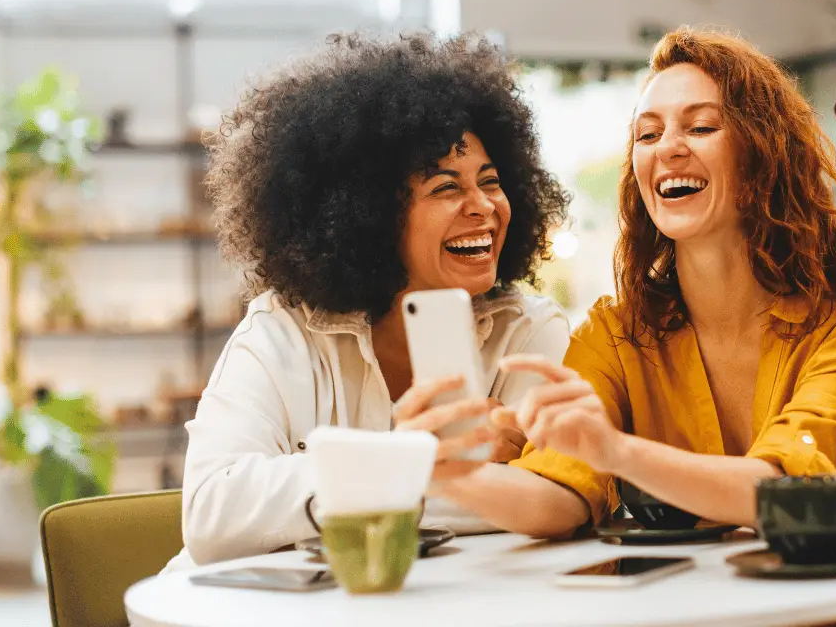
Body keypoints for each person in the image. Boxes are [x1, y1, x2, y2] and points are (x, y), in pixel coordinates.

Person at [439, 28, 836, 626]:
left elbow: (783, 495)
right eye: (647, 134)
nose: (668, 149)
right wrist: (446, 472)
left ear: (762, 155)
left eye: (700, 127)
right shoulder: (614, 334)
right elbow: (557, 495)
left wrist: (618, 452)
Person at [166, 32, 571, 570]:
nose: (483, 207)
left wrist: (339, 482)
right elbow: (213, 517)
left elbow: (553, 502)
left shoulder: (528, 332)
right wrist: (410, 459)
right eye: (446, 188)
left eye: (491, 181)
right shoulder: (281, 331)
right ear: (372, 214)